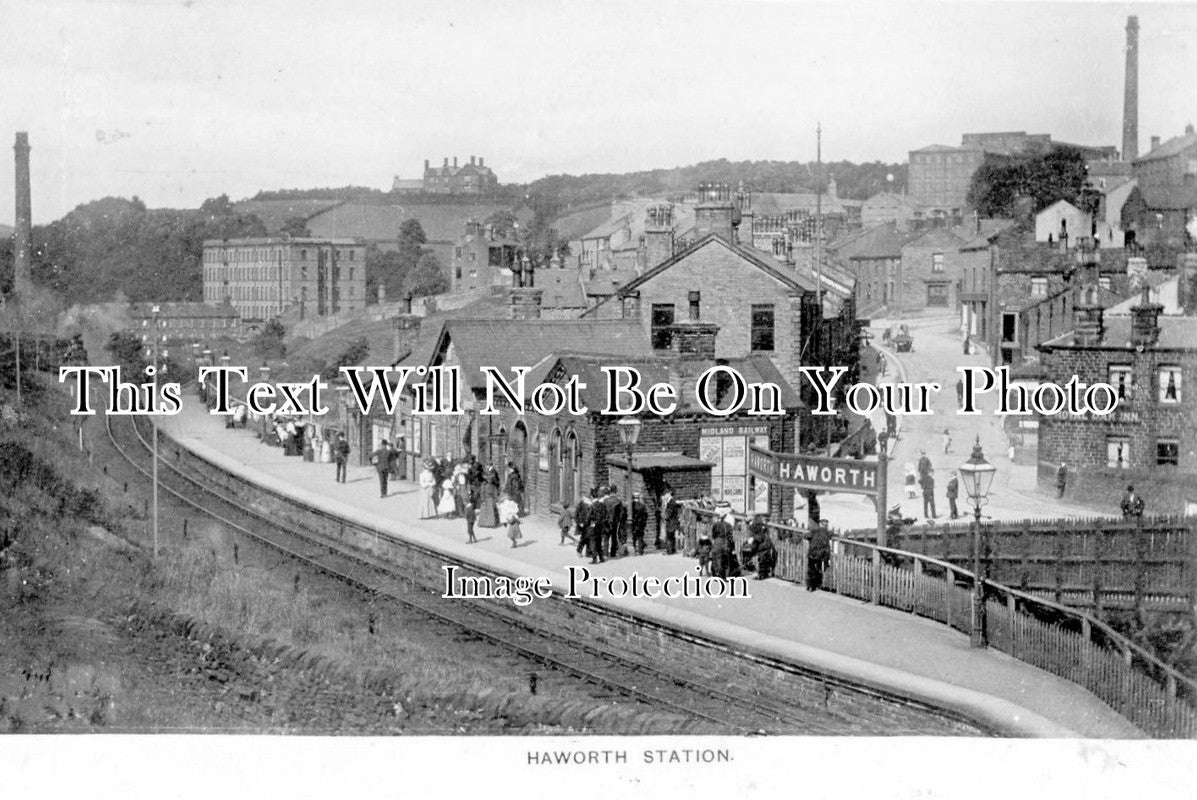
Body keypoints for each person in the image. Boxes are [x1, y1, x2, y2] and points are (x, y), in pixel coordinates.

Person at [806, 520, 831, 591]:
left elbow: (806, 536)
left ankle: (810, 585)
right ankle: (817, 584)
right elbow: (833, 535)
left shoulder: (814, 531)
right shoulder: (827, 533)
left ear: (820, 524)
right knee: (818, 568)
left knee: (811, 569)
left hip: (812, 553)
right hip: (821, 554)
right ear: (826, 526)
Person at [587, 487, 608, 564]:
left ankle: (594, 558)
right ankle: (601, 558)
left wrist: (588, 523)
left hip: (593, 525)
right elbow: (605, 515)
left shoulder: (592, 506)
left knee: (592, 541)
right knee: (599, 541)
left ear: (592, 497)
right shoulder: (602, 505)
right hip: (600, 525)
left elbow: (588, 517)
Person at [604, 487, 626, 558]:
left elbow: (603, 511)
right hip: (615, 522)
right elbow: (621, 513)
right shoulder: (618, 501)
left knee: (606, 537)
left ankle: (605, 553)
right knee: (614, 537)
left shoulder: (605, 500)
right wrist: (619, 520)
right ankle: (612, 553)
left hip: (606, 522)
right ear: (616, 491)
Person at [662, 487, 681, 555]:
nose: (665, 496)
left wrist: (665, 516)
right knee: (671, 536)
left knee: (669, 536)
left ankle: (669, 551)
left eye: (665, 494)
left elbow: (669, 513)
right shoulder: (671, 501)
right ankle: (672, 550)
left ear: (669, 494)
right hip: (672, 521)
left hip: (671, 521)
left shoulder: (671, 502)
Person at [574, 493, 592, 557]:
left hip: (590, 524)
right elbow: (576, 514)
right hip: (583, 524)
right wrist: (579, 522)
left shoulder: (591, 504)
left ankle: (588, 552)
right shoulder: (581, 504)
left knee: (589, 538)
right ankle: (579, 551)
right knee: (583, 538)